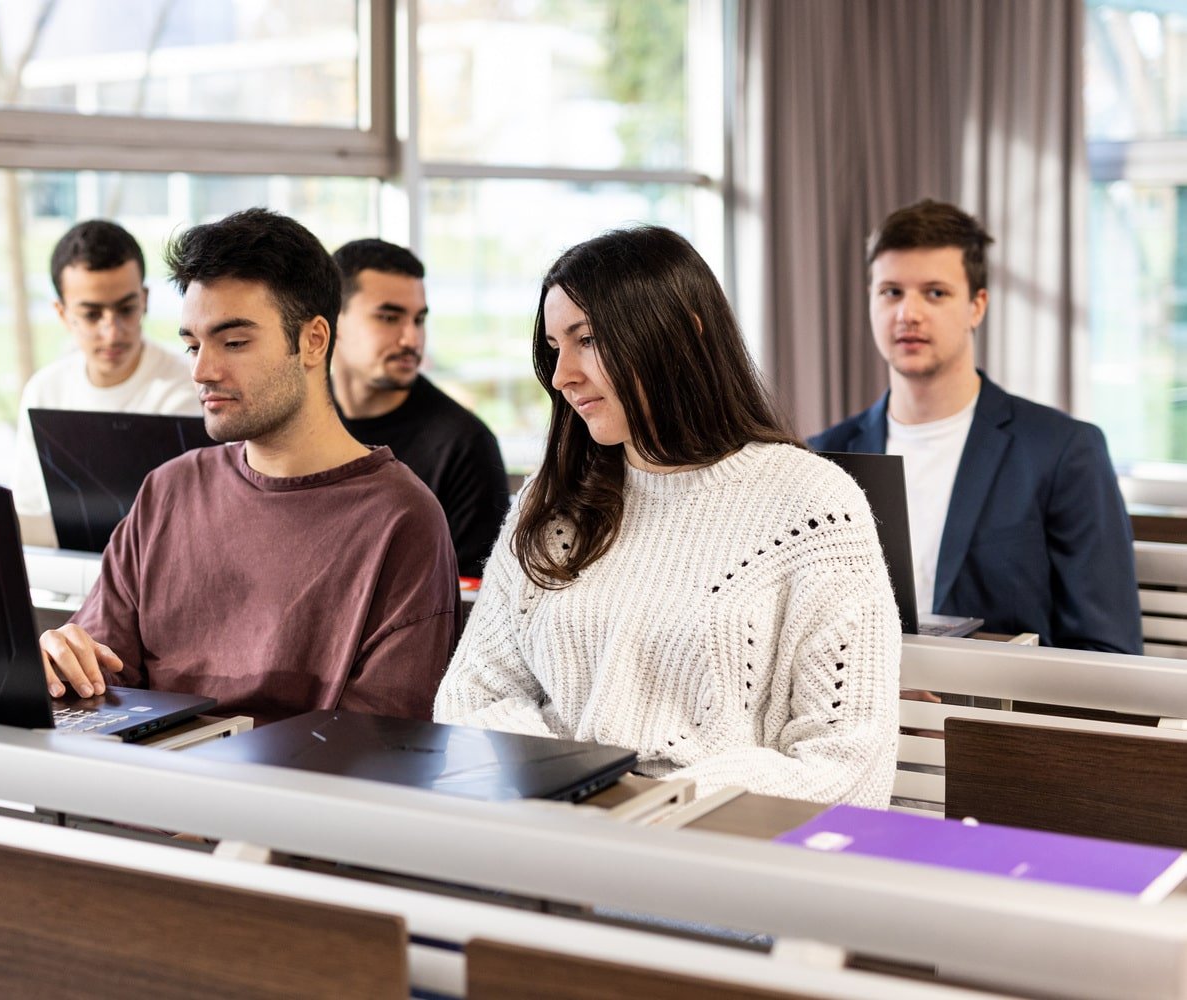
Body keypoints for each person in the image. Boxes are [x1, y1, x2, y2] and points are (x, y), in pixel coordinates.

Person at [434, 225, 901, 808]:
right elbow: (473, 694)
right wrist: (578, 785)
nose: (563, 376)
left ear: (683, 334)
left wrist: (655, 800)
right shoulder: (550, 503)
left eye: (588, 340)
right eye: (556, 348)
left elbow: (848, 761)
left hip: (715, 851)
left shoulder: (813, 506)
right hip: (555, 832)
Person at [39, 209, 458, 723]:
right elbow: (99, 676)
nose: (201, 370)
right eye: (192, 344)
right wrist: (62, 662)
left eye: (234, 342)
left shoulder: (402, 520)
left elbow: (378, 746)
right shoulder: (168, 490)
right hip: (147, 790)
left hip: (285, 798)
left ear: (313, 341)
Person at [810, 200, 1141, 653]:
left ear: (977, 306)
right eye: (891, 292)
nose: (908, 313)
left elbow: (1109, 653)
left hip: (994, 718)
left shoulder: (1064, 450)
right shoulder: (821, 457)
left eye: (935, 292)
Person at [10, 219, 199, 547]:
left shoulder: (188, 388)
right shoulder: (44, 391)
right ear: (62, 314)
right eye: (92, 315)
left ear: (145, 300)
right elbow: (27, 522)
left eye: (126, 309)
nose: (112, 332)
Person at [330, 239, 509, 578]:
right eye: (389, 317)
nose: (412, 339)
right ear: (331, 322)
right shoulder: (301, 423)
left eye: (418, 319)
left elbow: (472, 599)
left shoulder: (464, 444)